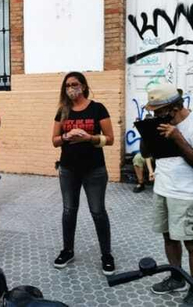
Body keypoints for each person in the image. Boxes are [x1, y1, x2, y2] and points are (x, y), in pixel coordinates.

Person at [139, 82, 193, 306]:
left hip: (188, 194)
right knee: (168, 237)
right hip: (162, 189)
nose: (156, 115)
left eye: (158, 111)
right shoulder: (161, 123)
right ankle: (176, 277)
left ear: (173, 107)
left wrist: (177, 137)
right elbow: (145, 152)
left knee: (192, 243)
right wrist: (147, 132)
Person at [50, 72, 116, 274]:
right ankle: (67, 250)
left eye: (75, 84)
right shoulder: (63, 111)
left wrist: (89, 138)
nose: (71, 88)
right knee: (69, 211)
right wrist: (67, 135)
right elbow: (54, 140)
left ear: (84, 86)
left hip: (94, 170)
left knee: (98, 212)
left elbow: (110, 139)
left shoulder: (97, 108)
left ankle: (106, 254)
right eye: (68, 85)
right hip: (69, 169)